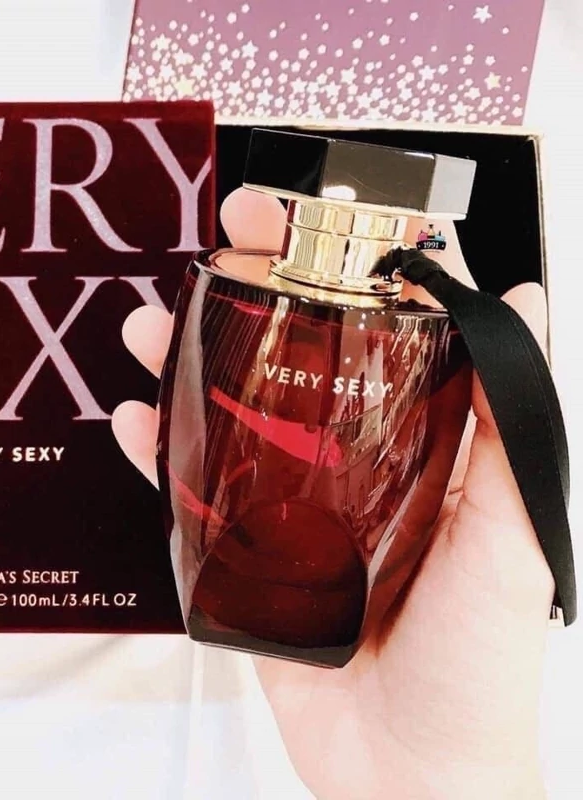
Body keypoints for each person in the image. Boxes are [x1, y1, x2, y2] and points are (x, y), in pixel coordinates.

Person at [112, 187, 553, 800]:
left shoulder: (424, 327)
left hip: (386, 668)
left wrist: (456, 774)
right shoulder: (227, 280)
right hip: (228, 589)